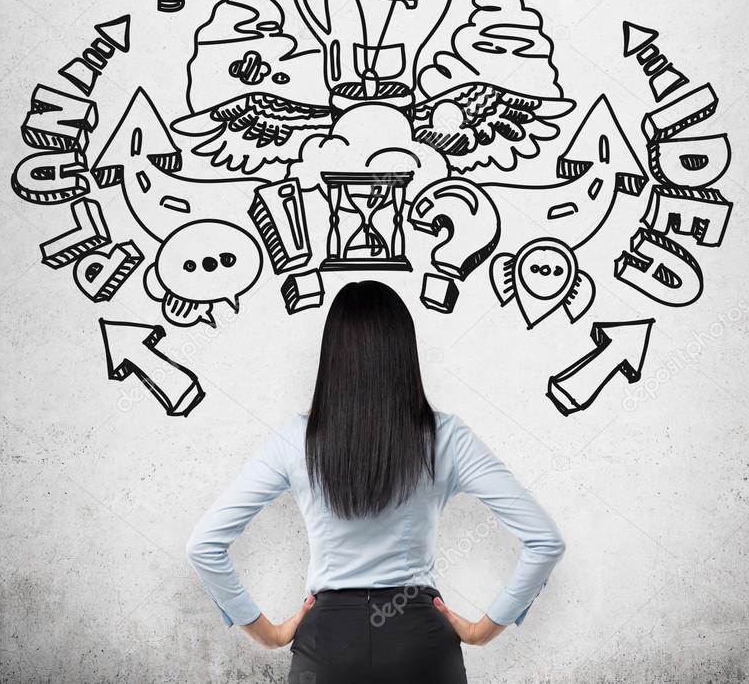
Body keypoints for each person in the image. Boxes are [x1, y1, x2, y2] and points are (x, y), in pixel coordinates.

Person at [186, 280, 565, 683]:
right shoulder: (448, 437)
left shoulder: (295, 440)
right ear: (404, 353)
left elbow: (204, 545)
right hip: (420, 642)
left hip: (327, 646)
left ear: (332, 357)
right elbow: (546, 539)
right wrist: (484, 630)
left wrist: (268, 634)